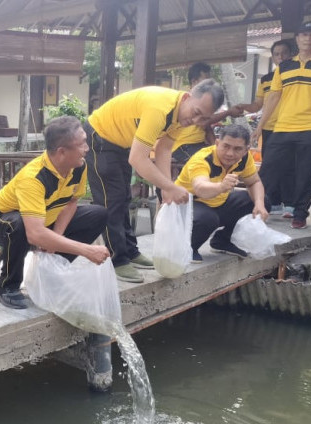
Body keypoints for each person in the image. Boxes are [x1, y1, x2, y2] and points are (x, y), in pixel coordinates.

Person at [84, 79, 225, 283]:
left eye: (203, 118)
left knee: (124, 197)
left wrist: (166, 188)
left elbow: (164, 149)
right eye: (195, 112)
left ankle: (130, 251)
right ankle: (117, 259)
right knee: (110, 201)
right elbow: (138, 158)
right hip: (100, 137)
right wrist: (169, 186)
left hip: (121, 142)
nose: (195, 120)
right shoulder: (159, 109)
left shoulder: (180, 115)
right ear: (186, 97)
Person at [0, 116, 110, 309]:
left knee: (98, 215)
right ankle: (7, 286)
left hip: (44, 219)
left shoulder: (78, 166)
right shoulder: (34, 178)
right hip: (3, 221)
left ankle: (52, 271)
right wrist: (87, 250)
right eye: (82, 143)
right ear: (61, 152)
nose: (86, 148)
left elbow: (71, 202)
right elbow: (34, 233)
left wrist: (56, 237)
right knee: (17, 225)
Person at [252, 20, 311, 230]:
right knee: (268, 170)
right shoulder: (285, 67)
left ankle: (300, 214)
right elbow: (273, 98)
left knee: (305, 172)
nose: (307, 38)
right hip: (282, 127)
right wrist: (260, 126)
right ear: (297, 39)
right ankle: (257, 207)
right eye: (303, 34)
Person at [175, 124, 269, 262]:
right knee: (208, 218)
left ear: (246, 150)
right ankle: (187, 247)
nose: (230, 153)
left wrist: (259, 204)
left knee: (261, 200)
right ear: (217, 143)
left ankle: (223, 241)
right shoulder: (202, 159)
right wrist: (221, 186)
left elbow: (254, 182)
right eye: (226, 146)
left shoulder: (245, 158)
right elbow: (200, 188)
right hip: (186, 204)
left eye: (237, 149)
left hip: (217, 202)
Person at [236, 39, 295, 217]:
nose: (280, 57)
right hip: (269, 128)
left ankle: (290, 204)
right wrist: (242, 106)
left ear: (292, 54)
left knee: (290, 166)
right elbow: (257, 105)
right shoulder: (267, 79)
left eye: (284, 53)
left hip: (290, 127)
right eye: (276, 54)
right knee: (270, 166)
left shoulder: (296, 75)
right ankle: (274, 202)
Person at [171, 63, 242, 165]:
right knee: (207, 162)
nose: (209, 86)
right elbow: (204, 123)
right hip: (183, 146)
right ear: (194, 82)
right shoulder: (189, 100)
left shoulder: (205, 103)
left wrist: (216, 148)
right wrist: (229, 112)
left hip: (199, 145)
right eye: (206, 81)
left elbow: (207, 127)